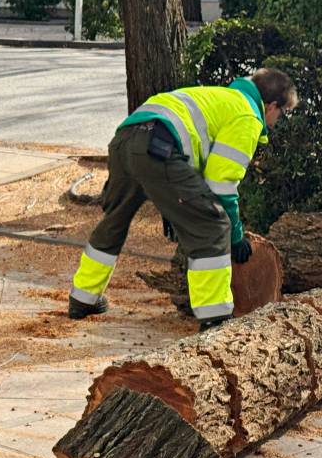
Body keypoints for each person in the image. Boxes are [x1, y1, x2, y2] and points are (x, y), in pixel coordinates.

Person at [68, 69, 298, 330]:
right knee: (213, 225)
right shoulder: (247, 117)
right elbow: (221, 185)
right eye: (282, 113)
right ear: (271, 106)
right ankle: (214, 317)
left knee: (114, 220)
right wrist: (235, 236)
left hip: (125, 140)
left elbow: (189, 158)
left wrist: (172, 206)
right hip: (158, 148)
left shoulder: (221, 97)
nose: (278, 120)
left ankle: (83, 298)